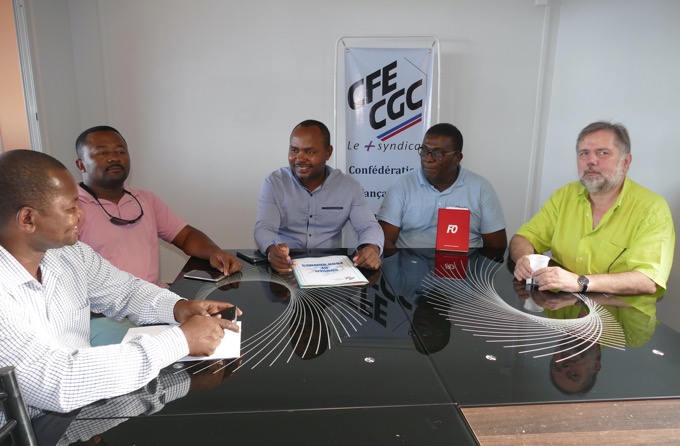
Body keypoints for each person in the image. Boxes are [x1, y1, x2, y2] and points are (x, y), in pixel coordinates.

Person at [0, 150, 241, 418]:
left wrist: (179, 308)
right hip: (30, 427)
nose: (81, 214)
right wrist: (181, 341)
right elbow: (59, 383)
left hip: (81, 407)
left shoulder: (69, 254)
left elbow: (126, 291)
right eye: (70, 208)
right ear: (28, 219)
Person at [510, 121, 675, 298]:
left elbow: (648, 280)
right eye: (584, 153)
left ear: (626, 162)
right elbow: (524, 237)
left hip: (621, 311)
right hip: (564, 307)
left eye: (603, 153)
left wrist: (580, 282)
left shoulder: (652, 208)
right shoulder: (565, 195)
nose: (591, 161)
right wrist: (523, 258)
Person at [75, 125, 241, 287]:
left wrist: (214, 252)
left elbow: (185, 236)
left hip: (154, 296)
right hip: (104, 304)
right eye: (102, 153)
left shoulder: (145, 199)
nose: (115, 158)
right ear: (81, 165)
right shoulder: (70, 208)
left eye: (121, 152)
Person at [254, 119, 384, 273]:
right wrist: (272, 249)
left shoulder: (349, 187)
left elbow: (368, 226)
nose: (299, 158)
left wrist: (372, 248)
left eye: (309, 152)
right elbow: (264, 228)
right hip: (287, 265)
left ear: (328, 152)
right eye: (294, 150)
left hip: (331, 269)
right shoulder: (274, 183)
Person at [377, 123, 507, 250]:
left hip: (466, 262)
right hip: (410, 261)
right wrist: (399, 264)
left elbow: (496, 247)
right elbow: (385, 240)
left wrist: (473, 265)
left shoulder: (481, 188)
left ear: (457, 158)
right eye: (424, 151)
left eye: (438, 154)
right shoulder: (402, 184)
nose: (428, 159)